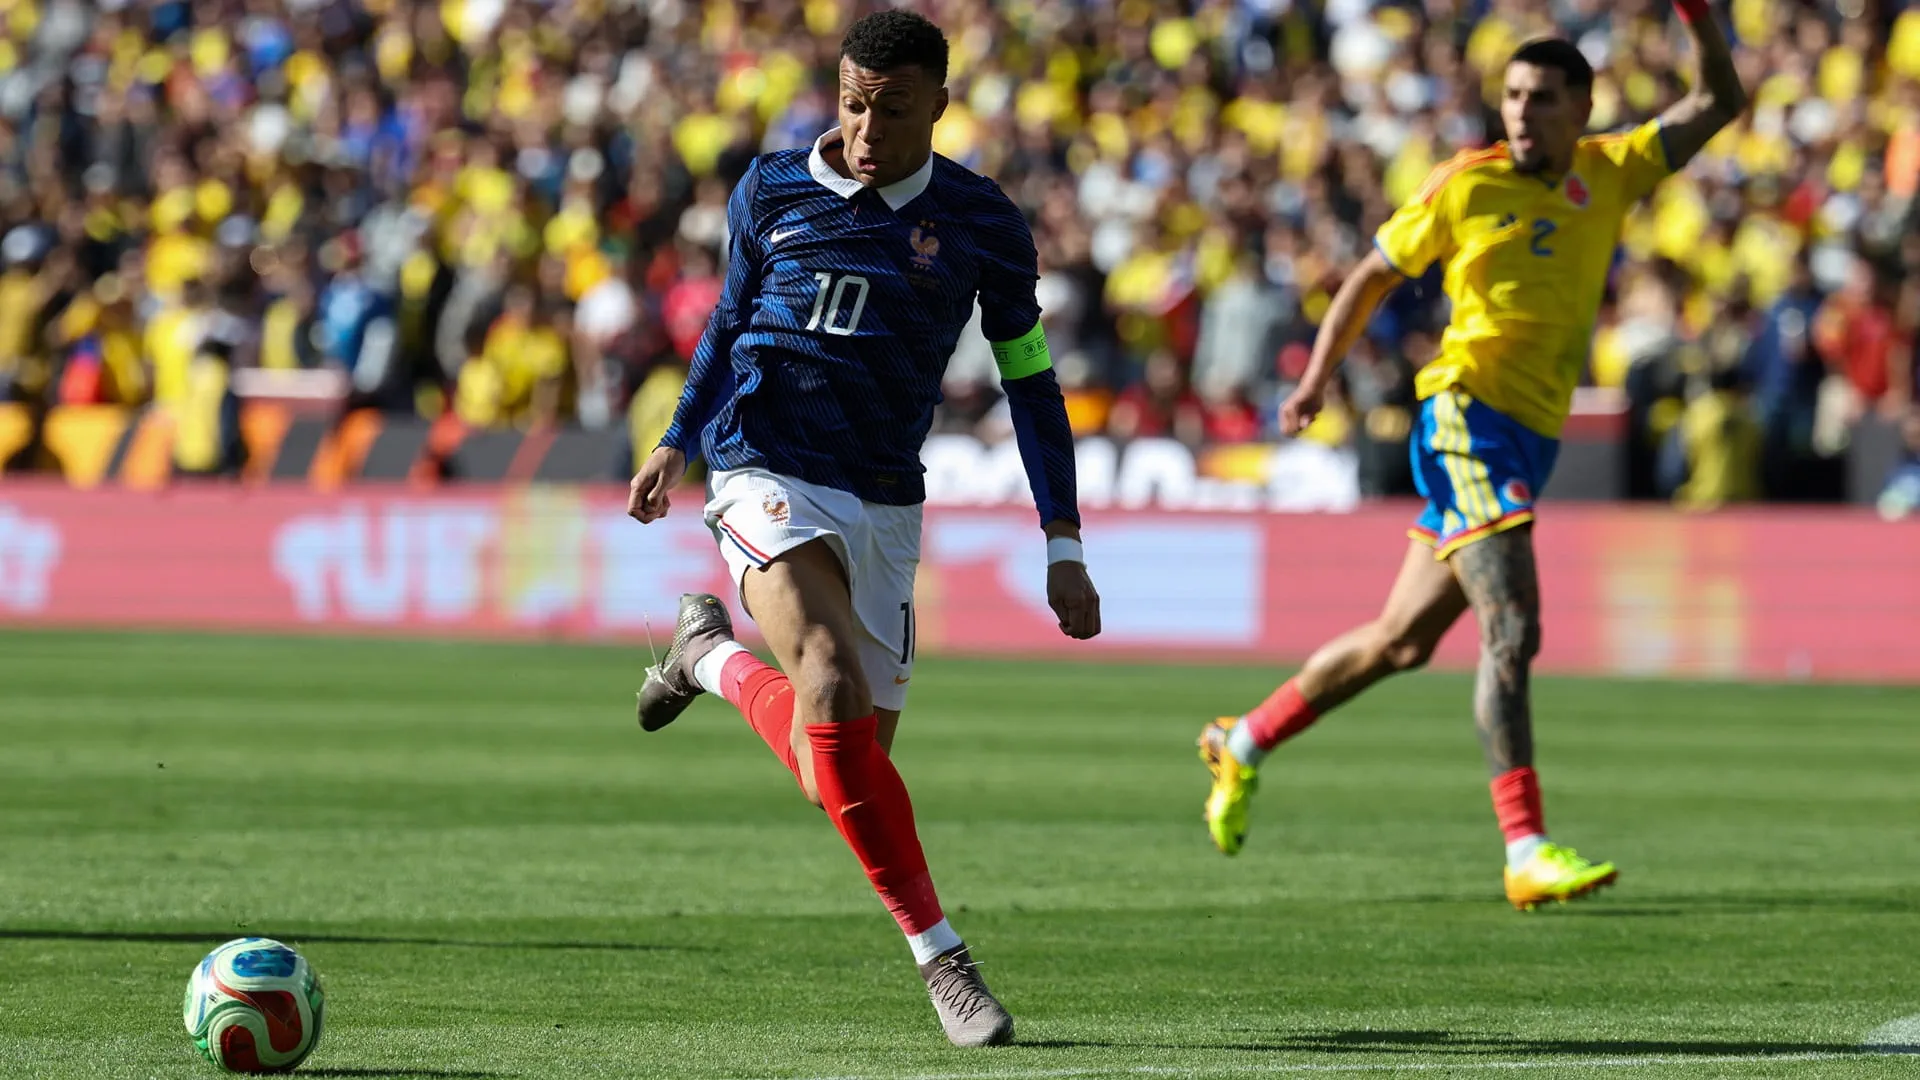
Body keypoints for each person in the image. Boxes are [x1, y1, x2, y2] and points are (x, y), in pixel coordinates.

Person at [1197, 6, 1747, 911]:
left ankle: (1243, 739)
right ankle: (1524, 847)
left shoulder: (1613, 169)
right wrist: (1317, 379)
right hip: (1466, 417)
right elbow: (1373, 274)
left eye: (1542, 98)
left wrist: (1695, 18)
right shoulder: (1466, 183)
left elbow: (1719, 100)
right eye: (1514, 96)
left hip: (1530, 435)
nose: (1522, 112)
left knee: (1401, 641)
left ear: (1583, 108)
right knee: (1513, 626)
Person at [625, 10, 1101, 1047]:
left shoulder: (981, 222)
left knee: (832, 768)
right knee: (832, 679)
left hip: (886, 495)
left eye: (892, 109)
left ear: (939, 105)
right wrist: (677, 437)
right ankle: (945, 960)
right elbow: (726, 322)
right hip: (763, 463)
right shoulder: (771, 187)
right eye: (852, 103)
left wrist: (1062, 542)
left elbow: (1029, 382)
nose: (866, 129)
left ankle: (708, 659)